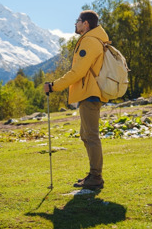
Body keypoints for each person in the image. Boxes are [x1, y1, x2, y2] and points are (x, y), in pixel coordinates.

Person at [44, 10, 109, 190]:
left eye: (77, 21)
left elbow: (78, 72)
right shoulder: (94, 40)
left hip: (90, 94)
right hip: (90, 93)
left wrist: (53, 86)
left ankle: (96, 177)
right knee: (86, 135)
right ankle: (94, 174)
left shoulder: (89, 41)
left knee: (91, 136)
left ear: (86, 24)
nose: (75, 24)